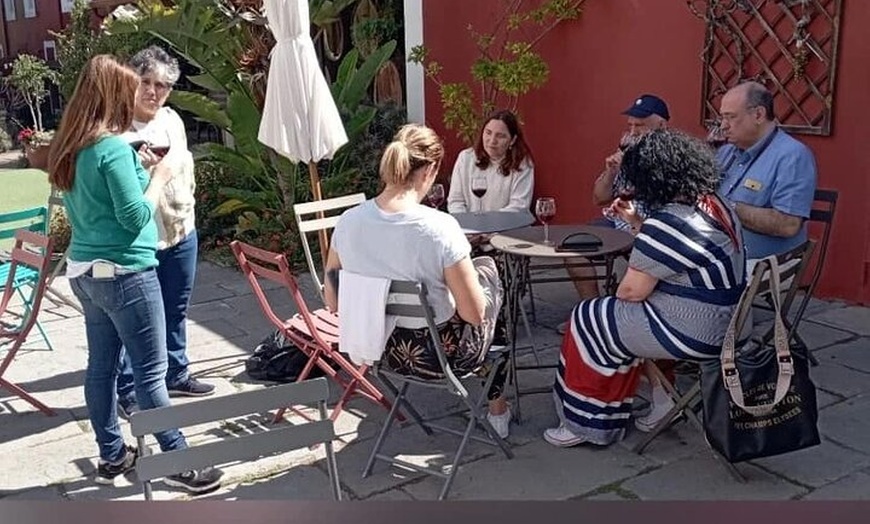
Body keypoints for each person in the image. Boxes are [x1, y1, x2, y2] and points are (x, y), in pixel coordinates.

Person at [47, 55, 223, 492]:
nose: (137, 96)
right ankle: (180, 462)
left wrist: (136, 169)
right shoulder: (109, 148)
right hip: (127, 274)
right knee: (149, 374)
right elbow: (134, 218)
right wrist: (159, 176)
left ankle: (111, 455)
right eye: (129, 88)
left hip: (85, 272)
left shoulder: (72, 145)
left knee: (100, 369)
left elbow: (96, 204)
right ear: (111, 94)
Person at [544, 129, 746, 447]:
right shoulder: (714, 204)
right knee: (625, 316)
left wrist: (647, 231)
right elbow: (678, 256)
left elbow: (630, 291)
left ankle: (587, 424)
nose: (633, 188)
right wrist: (640, 224)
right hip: (729, 320)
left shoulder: (670, 222)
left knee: (588, 317)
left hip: (698, 331)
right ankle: (663, 398)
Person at [323, 124, 513, 438]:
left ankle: (496, 407)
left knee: (481, 277)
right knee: (493, 284)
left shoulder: (348, 221)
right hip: (437, 355)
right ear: (430, 170)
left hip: (378, 349)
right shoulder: (439, 228)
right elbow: (474, 315)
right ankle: (498, 411)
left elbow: (332, 300)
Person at [115, 46, 214, 419]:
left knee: (176, 308)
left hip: (180, 231)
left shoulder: (172, 121)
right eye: (146, 82)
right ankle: (128, 390)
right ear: (132, 81)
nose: (153, 92)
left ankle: (176, 372)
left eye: (163, 85)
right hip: (140, 242)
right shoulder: (114, 129)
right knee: (135, 320)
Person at [559, 94, 670, 334]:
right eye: (630, 125)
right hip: (616, 223)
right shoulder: (627, 153)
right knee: (573, 248)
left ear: (661, 125)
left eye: (639, 125)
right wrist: (610, 172)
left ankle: (638, 321)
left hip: (648, 229)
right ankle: (591, 315)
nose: (633, 131)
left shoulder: (671, 157)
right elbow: (599, 197)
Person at [716, 81, 817, 264]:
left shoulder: (792, 156)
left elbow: (788, 225)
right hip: (717, 256)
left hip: (761, 265)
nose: (723, 126)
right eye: (722, 118)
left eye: (730, 117)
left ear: (758, 114)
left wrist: (726, 207)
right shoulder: (726, 152)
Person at [446, 109, 534, 213]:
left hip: (509, 227)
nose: (492, 141)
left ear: (513, 140)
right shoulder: (465, 158)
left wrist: (489, 224)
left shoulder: (522, 164)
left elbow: (519, 206)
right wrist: (466, 224)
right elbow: (455, 201)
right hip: (469, 227)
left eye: (500, 136)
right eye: (488, 133)